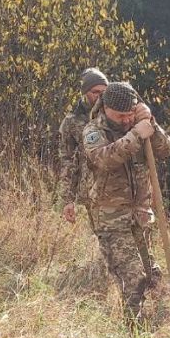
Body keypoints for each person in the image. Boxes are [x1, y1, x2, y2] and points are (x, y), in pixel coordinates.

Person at [83, 82, 170, 326]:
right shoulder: (94, 130)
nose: (125, 120)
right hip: (111, 218)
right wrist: (135, 135)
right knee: (133, 279)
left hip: (140, 215)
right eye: (120, 116)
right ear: (106, 109)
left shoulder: (140, 122)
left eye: (129, 115)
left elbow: (166, 149)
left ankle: (162, 324)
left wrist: (152, 126)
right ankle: (134, 335)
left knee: (152, 275)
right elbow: (104, 159)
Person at [59, 67, 109, 229]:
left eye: (104, 92)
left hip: (119, 190)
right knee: (103, 239)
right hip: (91, 190)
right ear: (85, 92)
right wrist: (68, 200)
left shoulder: (116, 115)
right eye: (96, 92)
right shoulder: (71, 121)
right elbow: (67, 160)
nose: (101, 96)